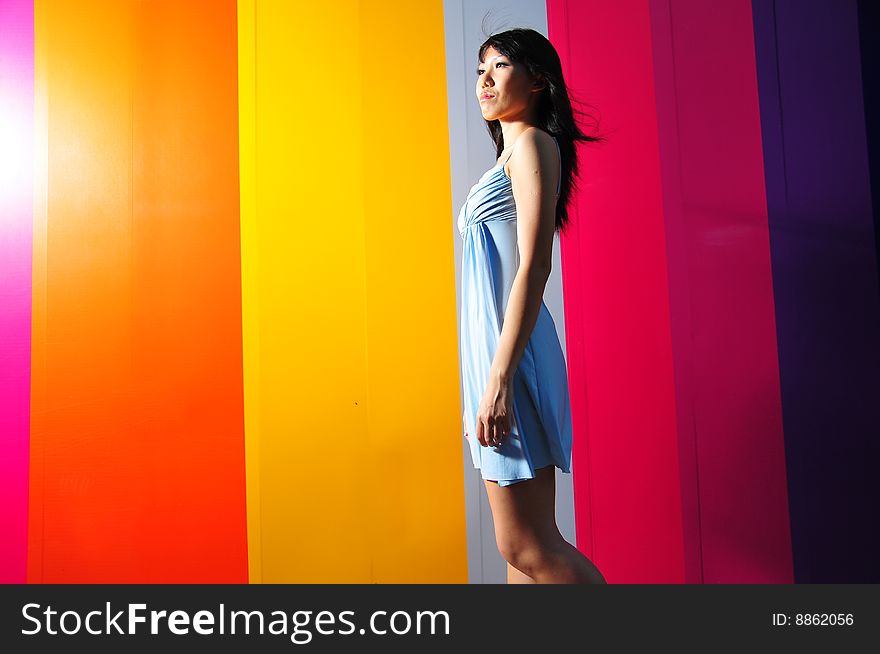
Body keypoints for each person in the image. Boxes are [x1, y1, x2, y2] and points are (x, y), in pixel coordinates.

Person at [457, 28, 606, 584]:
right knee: (517, 556)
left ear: (538, 81)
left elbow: (533, 266)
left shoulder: (532, 146)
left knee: (528, 545)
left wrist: (498, 377)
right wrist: (482, 377)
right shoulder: (511, 157)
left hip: (511, 359)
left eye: (500, 66)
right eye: (480, 69)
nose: (485, 80)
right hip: (495, 359)